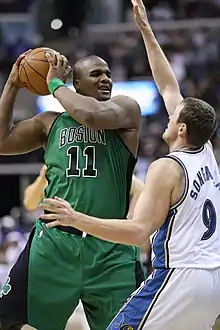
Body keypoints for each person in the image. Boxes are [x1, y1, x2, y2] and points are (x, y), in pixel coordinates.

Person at [40, 0, 220, 329]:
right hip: (214, 281)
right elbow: (168, 86)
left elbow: (139, 233)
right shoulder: (205, 149)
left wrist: (75, 218)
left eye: (173, 116)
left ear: (181, 128)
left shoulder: (168, 167)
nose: (168, 116)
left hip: (180, 279)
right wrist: (147, 32)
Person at [0, 49, 144, 329]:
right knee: (8, 321)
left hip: (110, 247)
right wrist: (13, 85)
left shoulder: (125, 110)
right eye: (96, 74)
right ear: (77, 84)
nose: (106, 79)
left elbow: (89, 115)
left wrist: (55, 84)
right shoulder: (49, 123)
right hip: (55, 243)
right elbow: (2, 142)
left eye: (108, 74)